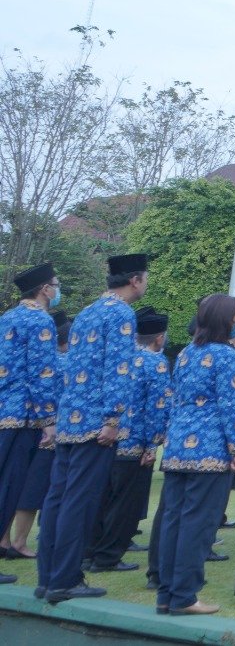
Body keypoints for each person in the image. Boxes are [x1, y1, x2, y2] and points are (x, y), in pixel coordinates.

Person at [35, 253, 144, 605]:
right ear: (135, 281)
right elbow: (119, 371)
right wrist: (113, 419)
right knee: (79, 503)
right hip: (96, 422)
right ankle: (65, 579)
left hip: (71, 418)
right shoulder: (122, 314)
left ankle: (47, 576)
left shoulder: (87, 312)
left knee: (58, 499)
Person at [156, 294, 235, 616]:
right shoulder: (230, 357)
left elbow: (174, 398)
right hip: (211, 451)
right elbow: (231, 406)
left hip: (179, 447)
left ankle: (167, 593)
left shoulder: (185, 354)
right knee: (198, 525)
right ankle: (185, 595)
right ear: (228, 320)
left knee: (173, 521)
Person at [86, 307, 171, 575]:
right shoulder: (155, 363)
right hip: (134, 444)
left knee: (100, 500)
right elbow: (157, 406)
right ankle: (108, 557)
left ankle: (89, 553)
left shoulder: (118, 358)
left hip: (104, 441)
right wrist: (152, 444)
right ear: (159, 338)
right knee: (125, 507)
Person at [0, 264, 60, 581]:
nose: (57, 289)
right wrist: (48, 418)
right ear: (44, 289)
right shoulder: (40, 321)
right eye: (55, 284)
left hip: (2, 411)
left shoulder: (7, 318)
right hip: (22, 416)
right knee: (9, 486)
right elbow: (42, 374)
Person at [6, 311, 68, 566]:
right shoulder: (60, 362)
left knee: (14, 486)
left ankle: (7, 539)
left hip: (28, 423)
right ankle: (19, 541)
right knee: (32, 491)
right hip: (46, 429)